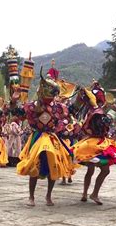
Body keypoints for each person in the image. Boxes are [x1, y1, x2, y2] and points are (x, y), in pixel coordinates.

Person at [72, 81, 116, 205]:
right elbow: (104, 123)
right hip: (96, 143)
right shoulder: (97, 112)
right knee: (105, 170)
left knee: (91, 170)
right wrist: (114, 113)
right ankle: (93, 194)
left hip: (89, 142)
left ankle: (85, 193)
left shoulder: (90, 110)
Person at [16, 72, 73, 207]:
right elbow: (17, 114)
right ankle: (31, 196)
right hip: (37, 137)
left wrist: (61, 126)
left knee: (53, 165)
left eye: (53, 93)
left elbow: (67, 117)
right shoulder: (31, 106)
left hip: (52, 138)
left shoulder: (58, 107)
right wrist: (14, 101)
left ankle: (48, 195)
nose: (52, 95)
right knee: (34, 165)